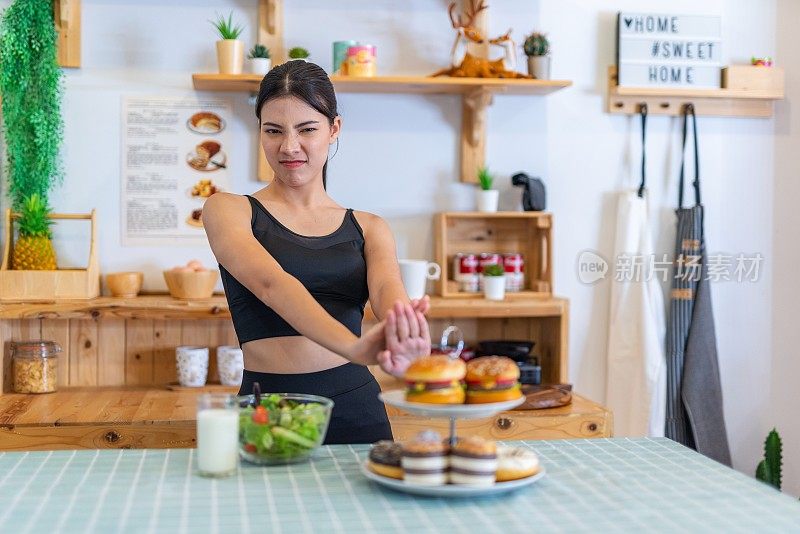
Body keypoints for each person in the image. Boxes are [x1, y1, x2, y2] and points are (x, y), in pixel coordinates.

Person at [203, 60, 431, 444]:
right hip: (266, 406)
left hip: (356, 404)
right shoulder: (228, 210)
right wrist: (356, 346)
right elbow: (271, 284)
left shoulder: (370, 227)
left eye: (307, 129)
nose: (289, 147)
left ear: (334, 129)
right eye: (273, 131)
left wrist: (404, 329)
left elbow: (389, 292)